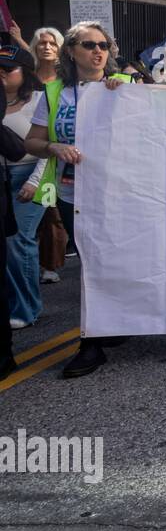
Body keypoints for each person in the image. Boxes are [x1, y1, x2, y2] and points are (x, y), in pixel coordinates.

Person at [23, 21, 132, 378]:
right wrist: (53, 146)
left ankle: (113, 324)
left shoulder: (127, 87)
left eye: (104, 45)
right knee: (90, 264)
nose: (98, 51)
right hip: (72, 194)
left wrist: (127, 94)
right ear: (71, 51)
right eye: (88, 44)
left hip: (120, 193)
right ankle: (92, 343)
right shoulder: (54, 93)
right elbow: (32, 142)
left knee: (115, 262)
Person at [3, 44, 44, 332]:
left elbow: (47, 145)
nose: (2, 76)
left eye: (8, 70)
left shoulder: (39, 100)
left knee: (18, 241)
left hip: (34, 175)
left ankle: (27, 308)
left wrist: (35, 182)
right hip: (3, 179)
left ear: (25, 73)